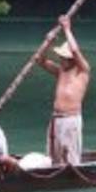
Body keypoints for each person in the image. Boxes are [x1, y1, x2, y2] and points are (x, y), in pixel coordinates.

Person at [34, 14, 90, 165]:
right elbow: (39, 59)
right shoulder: (60, 71)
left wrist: (67, 29)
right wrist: (48, 42)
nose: (61, 60)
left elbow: (76, 51)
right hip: (56, 119)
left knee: (70, 159)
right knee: (54, 158)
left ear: (71, 59)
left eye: (64, 58)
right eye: (61, 57)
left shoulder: (82, 71)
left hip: (71, 120)